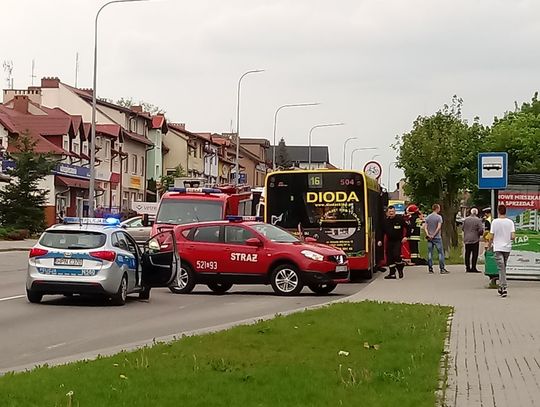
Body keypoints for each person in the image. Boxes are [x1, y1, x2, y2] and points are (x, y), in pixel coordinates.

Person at [489, 204, 515, 298]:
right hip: (507, 247)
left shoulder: (495, 222)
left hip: (498, 247)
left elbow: (491, 236)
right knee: (503, 267)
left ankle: (503, 287)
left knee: (501, 267)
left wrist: (489, 245)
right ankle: (501, 286)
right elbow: (513, 236)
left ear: (498, 211)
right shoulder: (510, 222)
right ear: (505, 211)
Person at [378, 205, 408, 279]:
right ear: (387, 213)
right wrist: (380, 240)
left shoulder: (400, 219)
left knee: (396, 255)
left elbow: (408, 227)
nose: (391, 213)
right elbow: (381, 232)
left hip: (398, 240)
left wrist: (406, 236)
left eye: (393, 212)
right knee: (389, 257)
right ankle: (392, 274)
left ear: (395, 212)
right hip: (389, 241)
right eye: (390, 212)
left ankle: (400, 267)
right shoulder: (385, 221)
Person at [424, 204, 449, 274]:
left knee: (430, 253)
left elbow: (425, 227)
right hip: (437, 237)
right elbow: (438, 227)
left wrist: (428, 234)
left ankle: (430, 268)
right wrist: (434, 235)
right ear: (437, 208)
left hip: (429, 238)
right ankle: (442, 268)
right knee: (440, 253)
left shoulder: (428, 217)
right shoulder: (439, 217)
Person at [462, 207, 484, 273]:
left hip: (467, 238)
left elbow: (463, 228)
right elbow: (480, 230)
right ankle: (473, 267)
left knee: (467, 253)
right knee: (475, 254)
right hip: (475, 239)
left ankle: (467, 267)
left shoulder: (466, 220)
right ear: (476, 213)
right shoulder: (478, 220)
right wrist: (480, 234)